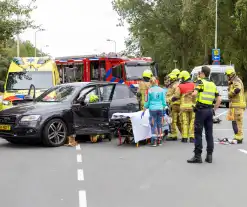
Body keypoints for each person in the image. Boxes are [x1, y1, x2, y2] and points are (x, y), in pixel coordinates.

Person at [187, 66, 221, 163]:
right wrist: (214, 109)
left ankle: (198, 156)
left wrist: (192, 98)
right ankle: (209, 156)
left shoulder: (200, 82)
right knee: (209, 133)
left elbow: (194, 94)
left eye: (200, 72)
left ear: (202, 73)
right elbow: (219, 99)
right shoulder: (213, 84)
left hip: (201, 110)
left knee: (198, 133)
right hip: (209, 111)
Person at [172, 71, 196, 143]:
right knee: (192, 122)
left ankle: (184, 138)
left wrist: (172, 99)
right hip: (192, 106)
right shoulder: (193, 85)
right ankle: (192, 137)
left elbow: (176, 96)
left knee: (184, 122)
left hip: (183, 107)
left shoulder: (180, 86)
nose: (180, 80)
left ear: (184, 78)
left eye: (181, 79)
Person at [142, 77, 166, 147]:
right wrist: (164, 106)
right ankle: (160, 140)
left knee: (153, 124)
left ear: (150, 82)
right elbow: (164, 100)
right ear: (157, 82)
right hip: (160, 108)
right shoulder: (162, 90)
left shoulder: (149, 90)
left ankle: (154, 141)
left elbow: (147, 101)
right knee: (160, 124)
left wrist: (145, 107)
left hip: (152, 109)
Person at [225, 67, 246, 143]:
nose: (227, 77)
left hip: (238, 105)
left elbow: (238, 89)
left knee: (237, 122)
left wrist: (230, 94)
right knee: (234, 122)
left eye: (227, 75)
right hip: (235, 106)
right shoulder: (233, 81)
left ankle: (239, 138)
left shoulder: (236, 81)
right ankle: (237, 136)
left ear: (231, 75)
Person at [166, 73, 181, 141]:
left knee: (172, 121)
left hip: (174, 105)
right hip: (179, 105)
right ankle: (184, 134)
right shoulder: (179, 84)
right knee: (178, 121)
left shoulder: (173, 86)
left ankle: (173, 135)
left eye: (169, 79)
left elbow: (171, 96)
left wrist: (167, 100)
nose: (168, 81)